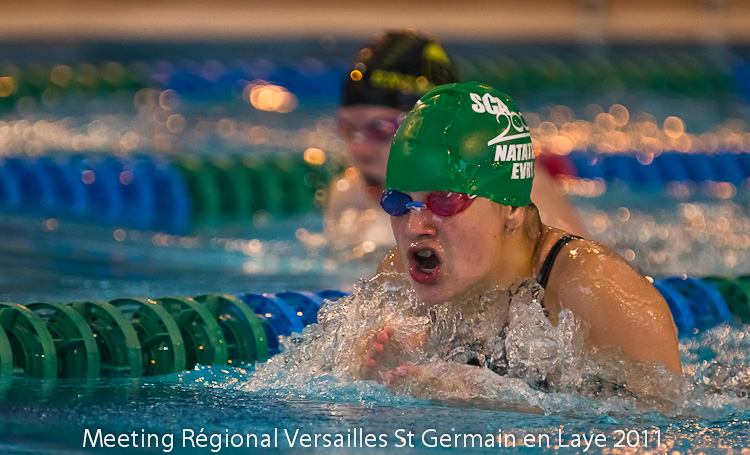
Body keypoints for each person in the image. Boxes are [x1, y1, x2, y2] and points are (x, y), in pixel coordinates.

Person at [358, 82, 681, 399]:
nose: (414, 227)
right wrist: (372, 374)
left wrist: (496, 400)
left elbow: (666, 417)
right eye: (398, 202)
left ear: (511, 207)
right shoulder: (397, 278)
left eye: (444, 201)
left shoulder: (599, 292)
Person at [325, 30, 587, 250]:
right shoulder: (348, 197)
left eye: (380, 130)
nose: (359, 150)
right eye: (348, 130)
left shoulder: (514, 188)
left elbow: (577, 270)